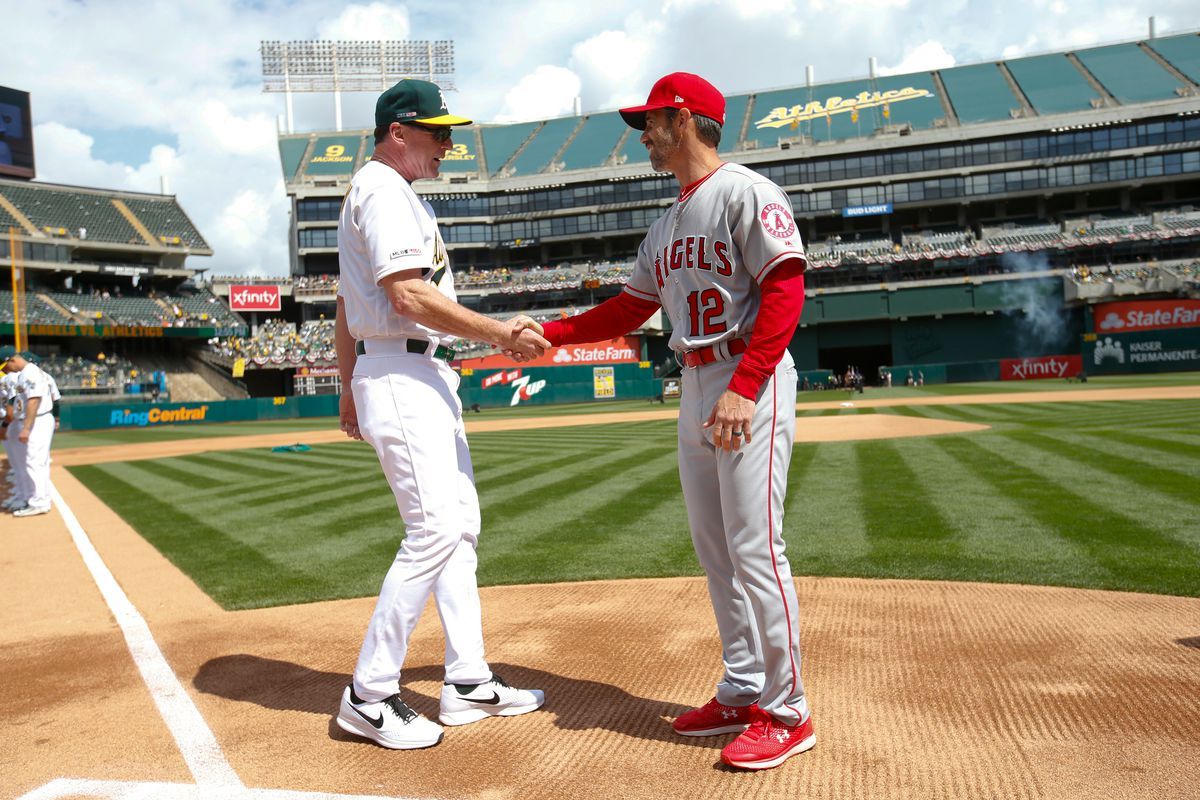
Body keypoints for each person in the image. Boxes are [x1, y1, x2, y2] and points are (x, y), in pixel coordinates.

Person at [512, 72, 814, 771]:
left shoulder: (748, 192)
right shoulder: (667, 223)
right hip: (697, 379)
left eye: (649, 122)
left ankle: (788, 709)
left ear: (683, 120)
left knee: (756, 547)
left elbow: (785, 291)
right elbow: (626, 310)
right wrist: (552, 329)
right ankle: (743, 688)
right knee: (715, 550)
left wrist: (745, 386)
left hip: (748, 378)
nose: (642, 136)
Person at [333, 79, 549, 751]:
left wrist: (346, 385)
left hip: (411, 369)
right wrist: (499, 335)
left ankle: (466, 681)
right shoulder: (383, 190)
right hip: (402, 365)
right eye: (438, 132)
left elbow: (347, 303)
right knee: (433, 531)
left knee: (458, 531)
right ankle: (368, 695)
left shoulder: (385, 194)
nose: (448, 144)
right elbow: (406, 296)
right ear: (399, 131)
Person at [0, 347, 55, 516]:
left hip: (36, 419)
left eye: (6, 366)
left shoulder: (30, 373)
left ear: (12, 360)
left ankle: (39, 502)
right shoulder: (25, 373)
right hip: (31, 419)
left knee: (34, 461)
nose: (5, 370)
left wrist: (25, 428)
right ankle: (32, 497)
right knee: (32, 461)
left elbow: (33, 400)